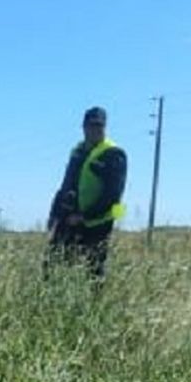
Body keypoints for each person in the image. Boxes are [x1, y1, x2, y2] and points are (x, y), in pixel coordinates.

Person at [45, 106, 127, 280]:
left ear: (105, 127)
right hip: (69, 217)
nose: (94, 130)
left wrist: (85, 216)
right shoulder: (77, 152)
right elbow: (65, 185)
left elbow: (113, 195)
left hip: (98, 222)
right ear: (83, 127)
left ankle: (95, 305)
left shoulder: (113, 154)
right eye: (90, 125)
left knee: (93, 270)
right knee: (51, 265)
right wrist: (54, 215)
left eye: (99, 126)